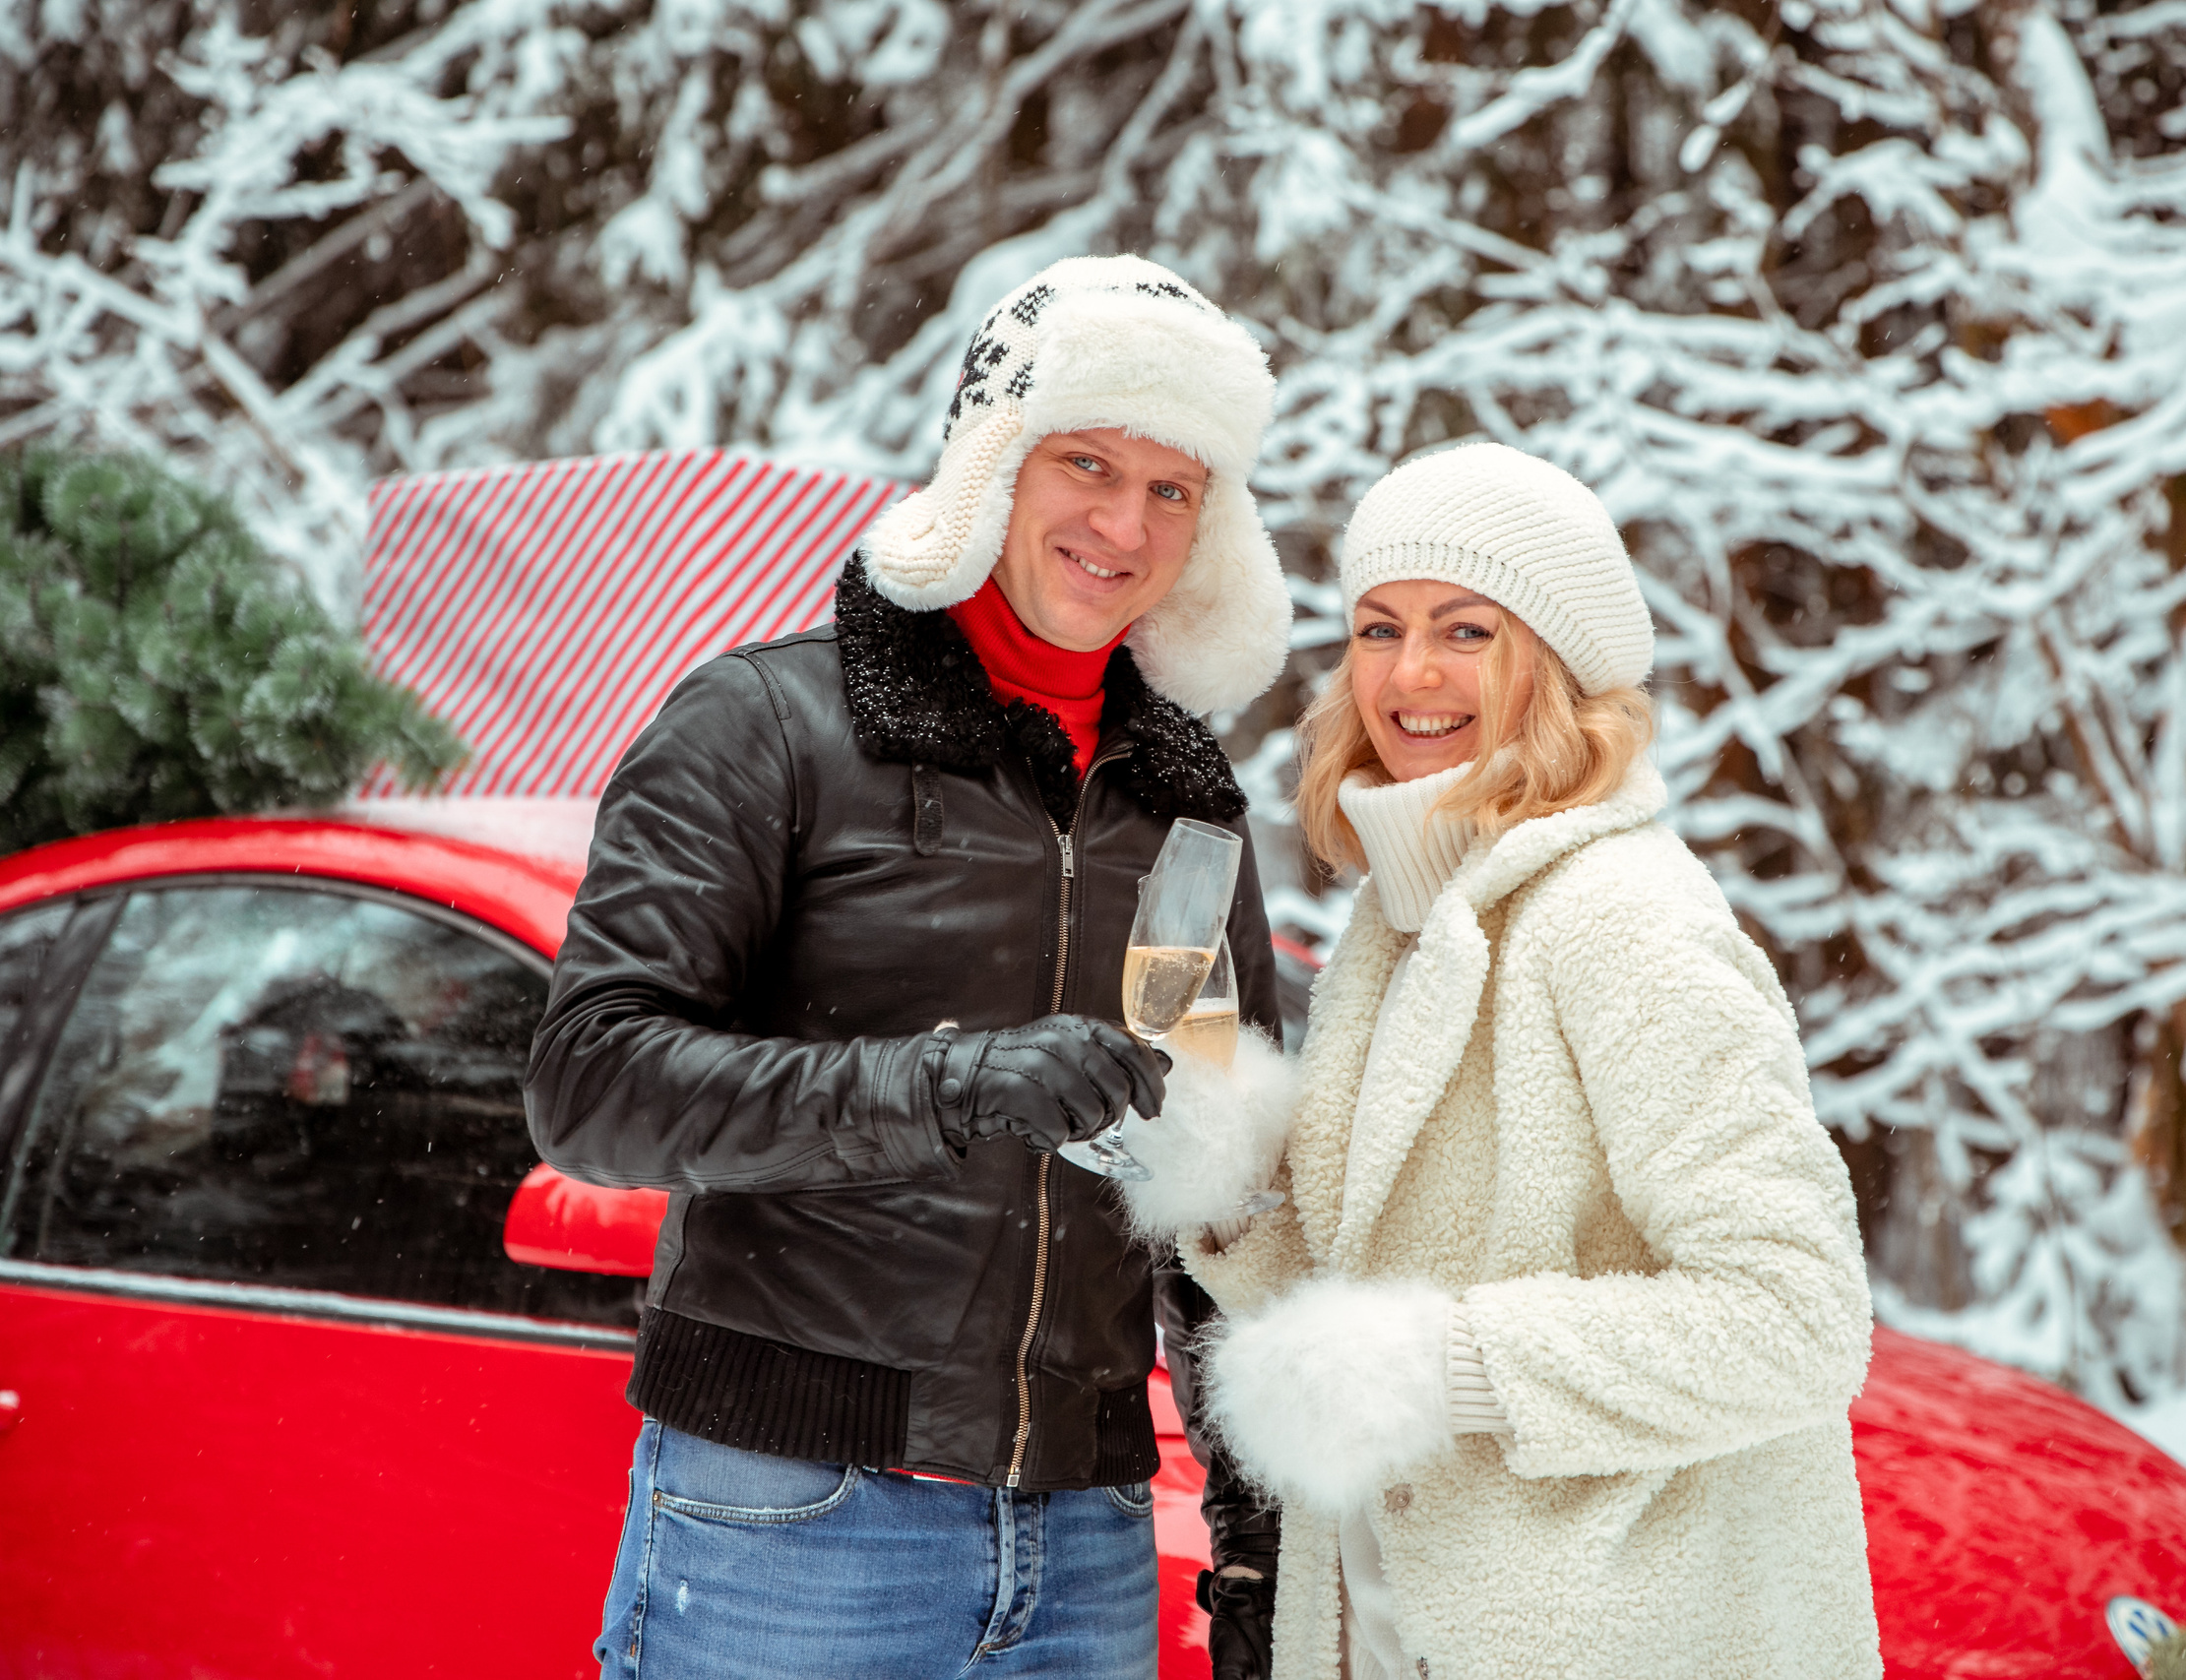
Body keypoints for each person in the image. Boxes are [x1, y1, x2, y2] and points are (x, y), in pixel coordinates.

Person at [526, 254, 1290, 1679]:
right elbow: (591, 1084)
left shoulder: (1188, 796)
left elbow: (1217, 1190)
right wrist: (954, 1082)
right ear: (994, 459)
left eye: (1174, 488)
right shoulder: (766, 721)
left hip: (1087, 1532)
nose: (1124, 522)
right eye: (1090, 462)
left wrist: (1254, 1533)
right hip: (791, 1511)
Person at [1130, 443, 1880, 1678]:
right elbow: (1365, 1302)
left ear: (1555, 662)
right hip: (1387, 1630)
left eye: (1464, 631)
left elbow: (1797, 1319)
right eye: (1377, 629)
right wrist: (1225, 1168)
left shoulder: (1622, 915)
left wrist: (1444, 1364)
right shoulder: (1401, 915)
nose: (1409, 675)